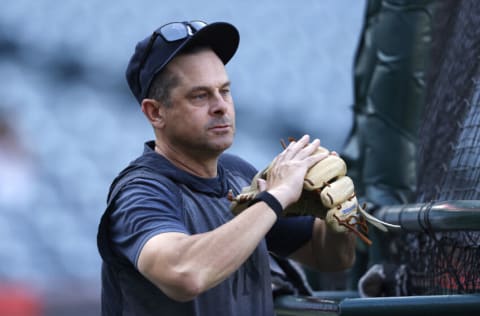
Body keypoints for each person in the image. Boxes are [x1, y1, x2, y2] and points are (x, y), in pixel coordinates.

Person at [97, 20, 356, 315]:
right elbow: (184, 274)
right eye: (200, 95)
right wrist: (276, 196)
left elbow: (331, 258)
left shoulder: (238, 174)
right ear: (155, 112)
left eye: (225, 90)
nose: (221, 106)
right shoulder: (140, 192)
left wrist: (341, 219)